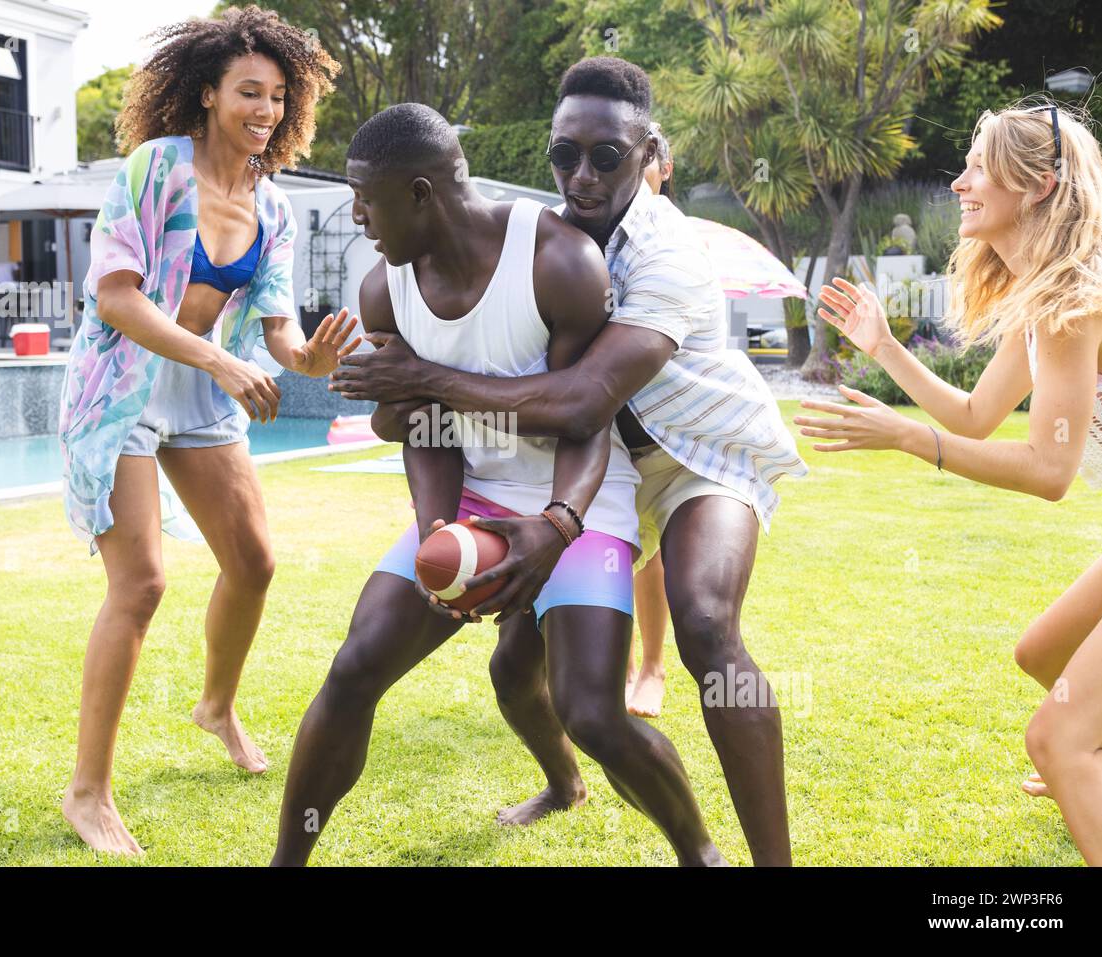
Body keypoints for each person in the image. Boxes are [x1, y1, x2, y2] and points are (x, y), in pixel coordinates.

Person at [331, 58, 806, 866]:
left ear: (650, 152)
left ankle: (767, 861)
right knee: (516, 668)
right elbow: (519, 403)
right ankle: (564, 783)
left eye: (608, 156)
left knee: (704, 625)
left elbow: (583, 397)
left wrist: (418, 378)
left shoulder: (670, 255)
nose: (582, 175)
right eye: (564, 154)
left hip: (699, 457)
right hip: (605, 465)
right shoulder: (546, 239)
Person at [56, 7, 352, 855]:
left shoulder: (277, 210)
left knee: (254, 560)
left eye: (276, 95)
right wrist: (223, 363)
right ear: (210, 93)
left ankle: (216, 705)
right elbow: (115, 296)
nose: (264, 108)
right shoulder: (157, 169)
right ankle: (88, 792)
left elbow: (278, 332)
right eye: (247, 92)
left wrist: (309, 361)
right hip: (120, 387)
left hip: (199, 396)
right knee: (141, 583)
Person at [794, 102, 1102, 865]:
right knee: (1042, 658)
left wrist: (908, 437)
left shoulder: (1074, 299)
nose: (961, 181)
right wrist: (885, 349)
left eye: (979, 167)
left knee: (1057, 739)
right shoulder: (1045, 295)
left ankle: (1083, 770)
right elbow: (975, 415)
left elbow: (1050, 470)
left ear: (1035, 186)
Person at [627, 121, 676, 718]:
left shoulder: (675, 240)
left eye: (646, 161)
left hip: (667, 425)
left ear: (664, 168)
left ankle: (653, 665)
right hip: (611, 422)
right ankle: (608, 664)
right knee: (611, 543)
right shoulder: (585, 236)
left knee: (656, 552)